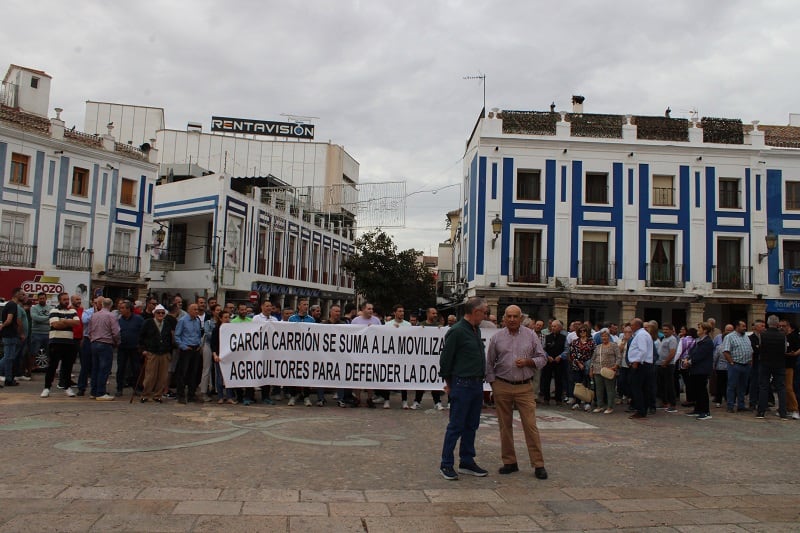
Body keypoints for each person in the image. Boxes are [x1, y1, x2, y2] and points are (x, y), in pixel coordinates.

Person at [485, 305, 548, 479]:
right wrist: (493, 384)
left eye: (515, 316)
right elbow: (489, 363)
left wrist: (528, 362)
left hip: (524, 386)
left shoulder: (531, 335)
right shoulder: (497, 338)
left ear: (521, 318)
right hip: (502, 385)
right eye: (509, 316)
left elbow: (542, 358)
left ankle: (538, 464)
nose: (512, 319)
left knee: (530, 425)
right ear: (504, 318)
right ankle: (509, 462)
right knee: (504, 426)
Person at [438, 297, 489, 481]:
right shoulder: (457, 331)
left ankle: (467, 461)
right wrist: (450, 384)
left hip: (476, 384)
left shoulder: (475, 329)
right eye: (484, 312)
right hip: (462, 384)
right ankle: (446, 464)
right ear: (475, 312)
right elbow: (445, 360)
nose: (486, 315)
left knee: (471, 425)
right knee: (456, 425)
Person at [40, 292, 79, 397]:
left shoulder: (73, 310)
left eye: (67, 299)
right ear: (59, 300)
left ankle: (67, 387)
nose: (66, 301)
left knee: (67, 367)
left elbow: (77, 323)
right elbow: (55, 324)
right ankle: (47, 388)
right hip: (56, 342)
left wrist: (63, 321)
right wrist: (68, 321)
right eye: (64, 299)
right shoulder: (54, 310)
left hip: (69, 343)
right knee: (52, 366)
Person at [138, 304, 175, 403]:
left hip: (164, 353)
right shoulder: (148, 323)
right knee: (150, 375)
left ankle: (158, 395)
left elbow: (169, 339)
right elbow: (141, 337)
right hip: (152, 352)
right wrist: (143, 350)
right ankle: (146, 394)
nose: (160, 314)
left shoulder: (167, 324)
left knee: (162, 376)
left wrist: (169, 352)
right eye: (158, 312)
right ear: (154, 313)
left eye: (162, 313)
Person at [87, 298, 120, 400]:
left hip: (94, 343)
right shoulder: (111, 316)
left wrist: (92, 339)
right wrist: (117, 342)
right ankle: (101, 392)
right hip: (105, 343)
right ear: (111, 305)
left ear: (101, 304)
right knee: (104, 369)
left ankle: (94, 391)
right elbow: (116, 332)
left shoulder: (94, 315)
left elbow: (89, 330)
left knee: (95, 368)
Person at [412, 307, 446, 410]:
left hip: (434, 360)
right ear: (428, 314)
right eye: (433, 313)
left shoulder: (438, 326)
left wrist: (442, 330)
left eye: (436, 313)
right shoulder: (421, 325)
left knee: (434, 381)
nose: (435, 315)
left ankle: (437, 402)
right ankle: (417, 401)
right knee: (421, 381)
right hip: (423, 359)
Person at [757, 315, 788, 419]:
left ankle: (761, 411)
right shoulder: (782, 335)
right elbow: (784, 350)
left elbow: (760, 347)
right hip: (779, 363)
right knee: (781, 388)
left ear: (768, 323)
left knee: (763, 387)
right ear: (778, 324)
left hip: (765, 363)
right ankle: (783, 412)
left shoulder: (763, 334)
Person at [287, 299, 315, 406]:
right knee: (294, 373)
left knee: (307, 373)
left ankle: (306, 396)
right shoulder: (292, 318)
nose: (306, 306)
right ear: (299, 306)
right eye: (304, 305)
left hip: (307, 351)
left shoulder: (311, 319)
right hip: (295, 351)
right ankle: (293, 395)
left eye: (307, 305)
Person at [722, 320, 753, 413]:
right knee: (732, 386)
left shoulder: (746, 337)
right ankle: (730, 405)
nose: (745, 328)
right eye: (743, 326)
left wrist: (750, 361)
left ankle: (741, 405)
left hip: (746, 365)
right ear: (737, 327)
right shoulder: (729, 337)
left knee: (743, 387)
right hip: (735, 365)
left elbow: (750, 349)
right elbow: (726, 351)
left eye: (745, 326)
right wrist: (731, 362)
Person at [174, 303, 203, 404]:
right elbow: (177, 336)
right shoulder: (182, 321)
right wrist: (183, 346)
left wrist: (199, 344)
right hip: (186, 348)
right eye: (194, 309)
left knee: (194, 373)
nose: (196, 311)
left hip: (195, 348)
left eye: (197, 309)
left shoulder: (197, 321)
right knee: (182, 372)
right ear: (189, 310)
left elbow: (199, 334)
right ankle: (180, 395)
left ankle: (191, 394)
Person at [685, 322, 714, 420]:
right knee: (697, 390)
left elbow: (700, 355)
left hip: (702, 369)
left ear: (705, 330)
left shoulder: (707, 342)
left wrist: (689, 362)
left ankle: (705, 411)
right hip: (695, 369)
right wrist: (687, 359)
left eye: (699, 328)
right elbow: (692, 352)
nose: (698, 330)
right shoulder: (699, 341)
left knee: (702, 391)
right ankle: (698, 409)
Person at [627, 318, 654, 419]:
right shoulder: (642, 334)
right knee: (644, 389)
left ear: (637, 325)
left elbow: (643, 350)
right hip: (645, 364)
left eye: (632, 325)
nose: (631, 327)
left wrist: (636, 361)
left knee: (637, 388)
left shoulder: (641, 335)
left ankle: (640, 410)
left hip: (641, 365)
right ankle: (643, 409)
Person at [116, 300, 144, 397]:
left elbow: (143, 332)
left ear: (129, 309)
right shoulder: (119, 320)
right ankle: (119, 388)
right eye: (120, 308)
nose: (121, 310)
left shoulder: (138, 319)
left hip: (135, 348)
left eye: (123, 308)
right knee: (121, 368)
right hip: (122, 347)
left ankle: (136, 388)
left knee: (135, 368)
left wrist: (141, 345)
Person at [590, 329, 621, 414]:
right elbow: (593, 359)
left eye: (606, 336)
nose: (604, 338)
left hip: (609, 370)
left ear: (609, 337)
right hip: (597, 370)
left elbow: (618, 357)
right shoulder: (598, 347)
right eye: (602, 336)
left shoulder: (614, 345)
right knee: (599, 389)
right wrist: (591, 369)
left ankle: (610, 406)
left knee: (610, 389)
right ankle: (600, 405)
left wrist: (615, 366)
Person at [211, 309, 236, 405]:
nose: (227, 319)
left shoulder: (231, 329)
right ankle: (220, 396)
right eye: (225, 317)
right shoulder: (216, 329)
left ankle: (229, 396)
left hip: (229, 355)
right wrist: (215, 355)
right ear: (220, 318)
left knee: (229, 376)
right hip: (219, 355)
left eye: (228, 317)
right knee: (219, 377)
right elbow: (213, 344)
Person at [568, 325, 595, 412]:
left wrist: (590, 365)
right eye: (580, 331)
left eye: (584, 331)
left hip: (588, 365)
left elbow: (594, 355)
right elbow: (572, 354)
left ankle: (588, 403)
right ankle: (577, 402)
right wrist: (578, 363)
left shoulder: (592, 342)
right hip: (577, 365)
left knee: (588, 384)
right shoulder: (575, 342)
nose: (582, 332)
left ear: (587, 332)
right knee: (578, 384)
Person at [1, 287, 24, 386]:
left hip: (9, 334)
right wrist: (3, 326)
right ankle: (8, 379)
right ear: (16, 294)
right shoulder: (12, 305)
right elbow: (9, 320)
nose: (23, 296)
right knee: (8, 358)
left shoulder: (11, 305)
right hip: (10, 335)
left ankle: (9, 379)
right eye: (22, 294)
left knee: (8, 357)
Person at [541, 320, 567, 406]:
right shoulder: (547, 337)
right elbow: (543, 349)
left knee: (559, 380)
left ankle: (558, 399)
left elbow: (567, 349)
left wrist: (561, 356)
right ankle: (546, 398)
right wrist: (547, 356)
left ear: (560, 328)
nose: (553, 328)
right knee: (546, 380)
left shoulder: (564, 337)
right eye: (552, 326)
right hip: (549, 361)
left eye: (555, 326)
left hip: (559, 361)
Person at [657, 323, 678, 412]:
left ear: (671, 330)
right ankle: (664, 402)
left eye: (667, 329)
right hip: (662, 364)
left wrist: (666, 362)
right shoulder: (664, 338)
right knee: (662, 385)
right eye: (663, 329)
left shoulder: (672, 339)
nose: (664, 331)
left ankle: (672, 404)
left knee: (669, 385)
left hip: (668, 365)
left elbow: (672, 353)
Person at [29, 292, 52, 374]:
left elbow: (52, 320)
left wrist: (42, 319)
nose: (42, 300)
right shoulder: (34, 308)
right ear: (38, 299)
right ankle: (30, 370)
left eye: (43, 298)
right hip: (36, 333)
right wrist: (47, 318)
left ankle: (51, 370)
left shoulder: (50, 308)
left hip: (48, 333)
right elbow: (35, 318)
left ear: (46, 299)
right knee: (33, 352)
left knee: (50, 352)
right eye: (40, 298)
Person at [781, 320, 800, 419]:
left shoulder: (793, 336)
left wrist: (794, 354)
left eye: (784, 326)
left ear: (789, 327)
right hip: (782, 365)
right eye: (780, 326)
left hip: (791, 365)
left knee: (789, 388)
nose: (781, 328)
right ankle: (787, 407)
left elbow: (797, 349)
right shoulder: (783, 337)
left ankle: (795, 409)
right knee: (784, 388)